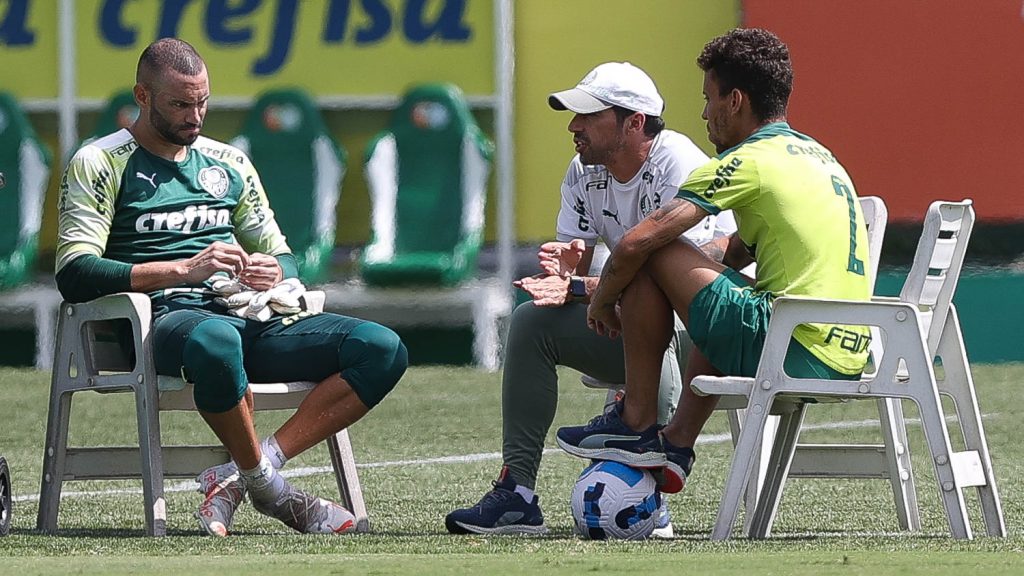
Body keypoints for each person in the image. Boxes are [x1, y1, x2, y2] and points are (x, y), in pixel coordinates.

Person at [54, 38, 408, 536]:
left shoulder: (229, 162)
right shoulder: (100, 162)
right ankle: (276, 495)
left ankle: (247, 475)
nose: (194, 116)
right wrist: (183, 270)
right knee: (218, 341)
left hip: (245, 315)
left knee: (382, 347)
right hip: (160, 324)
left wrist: (273, 271)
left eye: (202, 102)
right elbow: (73, 272)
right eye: (180, 104)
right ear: (143, 96)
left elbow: (282, 253)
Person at [555, 28, 873, 498]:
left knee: (650, 244)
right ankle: (678, 442)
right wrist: (666, 281)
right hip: (849, 347)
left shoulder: (749, 160)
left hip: (793, 346)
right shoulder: (816, 154)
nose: (704, 113)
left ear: (736, 101)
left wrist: (601, 300)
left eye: (708, 99)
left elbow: (635, 245)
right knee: (702, 278)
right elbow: (736, 252)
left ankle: (636, 421)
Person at [444, 62, 736, 536]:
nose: (573, 126)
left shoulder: (679, 163)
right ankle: (516, 493)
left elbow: (674, 286)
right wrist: (568, 271)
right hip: (634, 321)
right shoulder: (583, 171)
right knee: (531, 323)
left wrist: (581, 286)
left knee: (655, 326)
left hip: (708, 343)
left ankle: (647, 496)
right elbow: (579, 276)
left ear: (635, 122)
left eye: (588, 115)